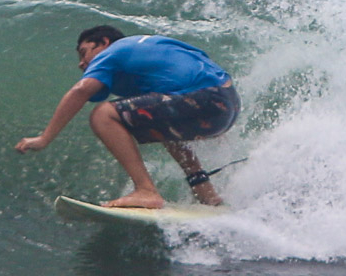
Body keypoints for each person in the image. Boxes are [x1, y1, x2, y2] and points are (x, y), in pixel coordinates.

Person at [15, 26, 239, 209]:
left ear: (103, 43)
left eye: (84, 53)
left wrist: (44, 138)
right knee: (159, 123)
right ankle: (205, 192)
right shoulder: (152, 47)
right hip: (227, 103)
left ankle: (146, 191)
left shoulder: (114, 51)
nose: (81, 63)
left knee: (103, 115)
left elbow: (80, 91)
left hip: (204, 98)